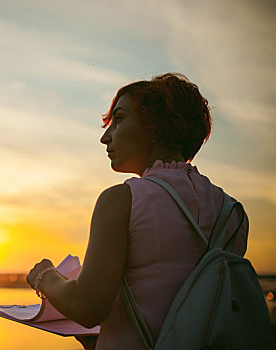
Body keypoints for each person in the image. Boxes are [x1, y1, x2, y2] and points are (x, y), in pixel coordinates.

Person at [26, 73, 248, 350]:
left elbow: (87, 307)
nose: (105, 137)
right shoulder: (233, 214)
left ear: (155, 126)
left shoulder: (122, 200)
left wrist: (45, 278)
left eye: (118, 120)